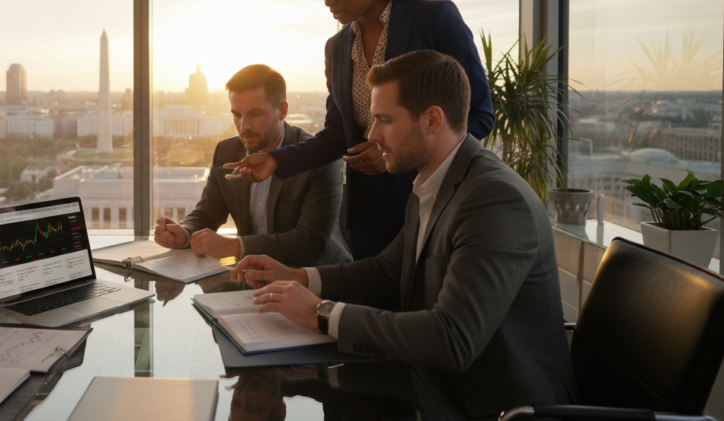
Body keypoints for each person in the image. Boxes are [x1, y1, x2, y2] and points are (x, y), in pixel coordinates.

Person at [235, 51, 575, 419]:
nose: (372, 134)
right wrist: (298, 276)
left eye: (384, 120)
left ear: (431, 120)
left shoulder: (494, 199)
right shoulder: (434, 180)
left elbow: (453, 338)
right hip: (437, 385)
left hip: (497, 407)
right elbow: (388, 269)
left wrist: (321, 312)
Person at [226, 0, 494, 260]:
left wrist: (392, 154)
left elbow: (479, 116)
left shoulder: (434, 19)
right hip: (369, 211)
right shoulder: (337, 47)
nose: (328, 0)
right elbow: (338, 134)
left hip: (435, 199)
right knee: (372, 303)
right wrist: (275, 159)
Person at [154, 64, 351, 268]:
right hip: (252, 279)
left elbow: (310, 242)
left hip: (318, 280)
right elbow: (208, 213)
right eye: (237, 115)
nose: (244, 126)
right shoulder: (226, 150)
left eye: (255, 114)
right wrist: (184, 233)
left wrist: (233, 247)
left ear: (282, 111)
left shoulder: (318, 156)